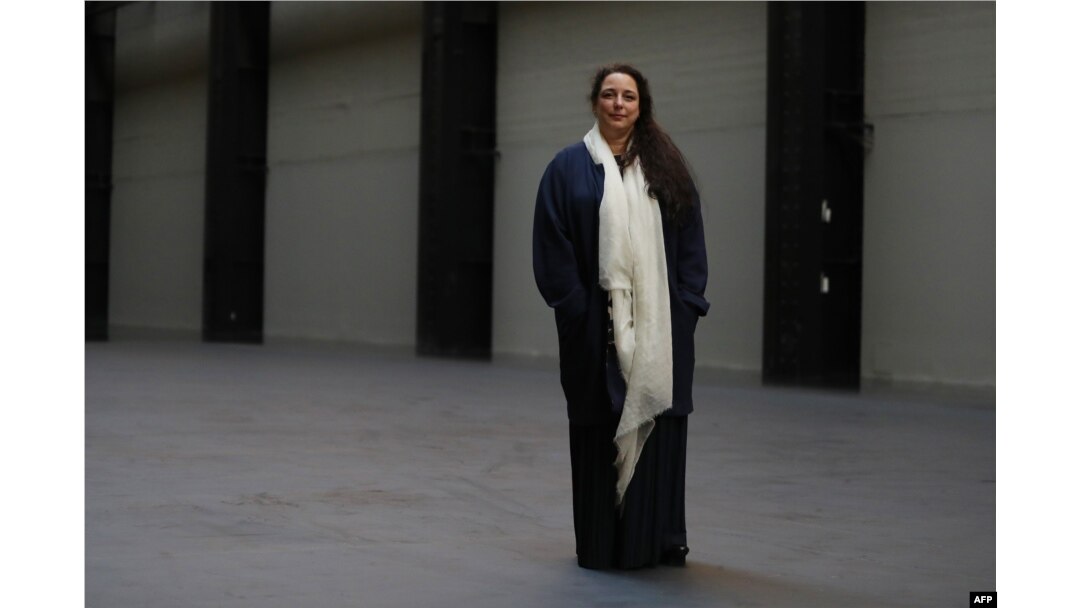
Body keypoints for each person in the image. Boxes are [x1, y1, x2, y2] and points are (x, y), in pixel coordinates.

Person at [532, 64, 710, 570]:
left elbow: (691, 240)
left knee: (659, 426)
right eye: (609, 94)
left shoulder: (666, 167)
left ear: (640, 105)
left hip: (662, 330)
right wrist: (576, 309)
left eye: (628, 96)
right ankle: (601, 544)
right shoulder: (567, 168)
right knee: (596, 427)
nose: (618, 104)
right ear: (595, 103)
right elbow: (552, 243)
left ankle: (655, 540)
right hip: (594, 329)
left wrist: (687, 305)